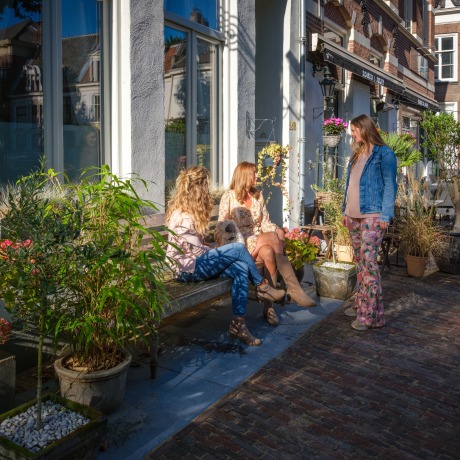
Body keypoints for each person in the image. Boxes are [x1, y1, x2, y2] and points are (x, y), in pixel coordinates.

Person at [165, 166, 286, 346]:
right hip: (186, 270)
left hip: (196, 264)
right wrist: (215, 250)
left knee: (241, 268)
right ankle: (262, 286)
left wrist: (211, 248)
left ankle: (239, 325)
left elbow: (195, 247)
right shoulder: (182, 215)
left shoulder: (190, 212)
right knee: (238, 248)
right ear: (197, 190)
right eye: (205, 187)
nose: (207, 192)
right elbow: (196, 252)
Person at [217, 161, 316, 328]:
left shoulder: (257, 195)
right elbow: (221, 227)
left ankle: (269, 308)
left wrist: (277, 230)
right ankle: (294, 288)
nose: (257, 176)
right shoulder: (228, 197)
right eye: (253, 174)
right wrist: (269, 235)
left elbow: (265, 222)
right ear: (244, 176)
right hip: (240, 245)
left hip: (258, 242)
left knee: (269, 251)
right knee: (272, 239)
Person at [341, 114, 397, 331]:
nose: (352, 134)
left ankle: (369, 316)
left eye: (354, 130)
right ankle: (362, 305)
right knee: (360, 263)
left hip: (372, 216)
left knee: (369, 264)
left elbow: (390, 185)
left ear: (364, 129)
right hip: (352, 216)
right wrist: (345, 210)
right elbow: (350, 185)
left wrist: (386, 215)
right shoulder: (357, 154)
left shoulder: (384, 153)